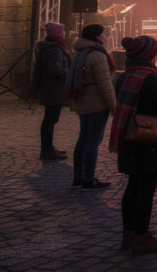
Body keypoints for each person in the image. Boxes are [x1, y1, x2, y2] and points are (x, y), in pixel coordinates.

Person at [110, 35, 157, 255]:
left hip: (128, 137)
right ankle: (142, 239)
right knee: (145, 191)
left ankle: (129, 235)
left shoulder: (125, 76)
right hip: (148, 140)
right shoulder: (150, 78)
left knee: (132, 187)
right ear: (151, 54)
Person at [69, 24, 116, 189]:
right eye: (103, 34)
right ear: (97, 37)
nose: (105, 37)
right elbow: (105, 85)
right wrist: (113, 106)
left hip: (82, 101)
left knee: (83, 139)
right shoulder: (97, 55)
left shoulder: (79, 52)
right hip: (96, 104)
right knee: (93, 141)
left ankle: (78, 177)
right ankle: (88, 179)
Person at [32, 22, 70, 161]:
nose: (65, 33)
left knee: (50, 120)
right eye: (63, 31)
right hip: (54, 89)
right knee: (50, 120)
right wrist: (70, 72)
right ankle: (46, 150)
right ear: (58, 34)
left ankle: (48, 148)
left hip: (52, 89)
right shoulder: (55, 50)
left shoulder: (52, 48)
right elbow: (55, 70)